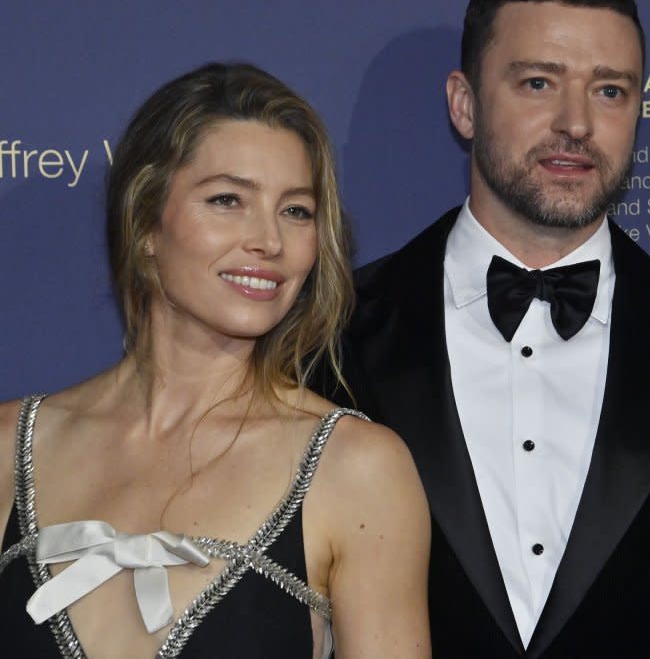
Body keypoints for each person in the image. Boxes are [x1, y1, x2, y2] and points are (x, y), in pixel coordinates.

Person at [323, 0, 650, 657]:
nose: (576, 123)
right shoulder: (330, 334)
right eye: (539, 83)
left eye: (610, 91)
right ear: (464, 103)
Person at [0, 63, 431, 658]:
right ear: (146, 222)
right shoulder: (7, 446)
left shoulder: (358, 468)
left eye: (296, 210)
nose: (270, 241)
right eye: (228, 200)